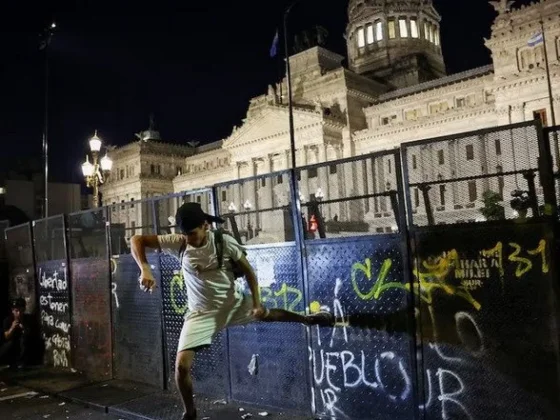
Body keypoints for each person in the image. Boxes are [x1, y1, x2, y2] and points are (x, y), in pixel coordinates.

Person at [131, 203, 333, 420]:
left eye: (192, 233)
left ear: (205, 225)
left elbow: (249, 272)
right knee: (181, 368)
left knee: (267, 314)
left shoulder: (223, 242)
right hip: (200, 314)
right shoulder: (179, 243)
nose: (188, 238)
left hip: (232, 304)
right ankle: (190, 413)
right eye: (184, 234)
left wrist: (256, 303)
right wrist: (145, 268)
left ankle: (308, 319)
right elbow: (137, 240)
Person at [0, 298, 31, 369]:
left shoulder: (27, 319)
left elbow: (30, 335)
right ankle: (8, 362)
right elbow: (6, 336)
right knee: (9, 344)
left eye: (21, 310)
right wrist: (12, 328)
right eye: (16, 311)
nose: (19, 313)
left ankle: (21, 363)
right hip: (11, 345)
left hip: (22, 345)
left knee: (23, 341)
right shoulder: (8, 320)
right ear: (12, 311)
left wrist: (24, 328)